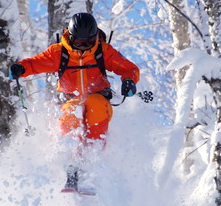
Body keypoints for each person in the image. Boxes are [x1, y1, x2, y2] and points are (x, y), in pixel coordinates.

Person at [8, 13, 140, 192]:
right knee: (71, 112)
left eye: (87, 43)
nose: (82, 47)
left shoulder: (103, 51)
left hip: (98, 97)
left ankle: (90, 164)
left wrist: (128, 81)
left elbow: (128, 68)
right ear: (70, 37)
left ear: (94, 38)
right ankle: (70, 167)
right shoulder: (59, 52)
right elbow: (36, 63)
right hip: (70, 99)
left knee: (96, 106)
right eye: (78, 42)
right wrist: (21, 68)